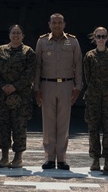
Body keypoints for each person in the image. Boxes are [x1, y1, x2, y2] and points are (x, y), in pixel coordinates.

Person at [34, 13, 82, 170]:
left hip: (66, 85)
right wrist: (36, 88)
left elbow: (78, 65)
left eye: (59, 22)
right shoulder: (42, 41)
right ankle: (49, 158)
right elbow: (38, 66)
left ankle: (61, 159)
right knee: (48, 123)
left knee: (63, 123)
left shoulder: (73, 41)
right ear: (49, 24)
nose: (57, 25)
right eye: (54, 22)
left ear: (64, 24)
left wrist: (78, 86)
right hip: (47, 85)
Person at [0, 25, 36, 169]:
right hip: (2, 95)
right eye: (13, 33)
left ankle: (18, 157)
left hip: (21, 97)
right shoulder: (0, 51)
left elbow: (30, 73)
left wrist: (15, 86)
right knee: (2, 126)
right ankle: (4, 157)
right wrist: (3, 86)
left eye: (18, 33)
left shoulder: (29, 52)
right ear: (9, 35)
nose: (16, 35)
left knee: (19, 127)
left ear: (23, 36)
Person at [83, 26, 108, 172]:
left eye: (103, 36)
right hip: (93, 97)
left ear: (107, 38)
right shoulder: (89, 56)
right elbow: (88, 77)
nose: (100, 39)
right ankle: (95, 159)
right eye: (98, 36)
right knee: (93, 129)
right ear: (94, 38)